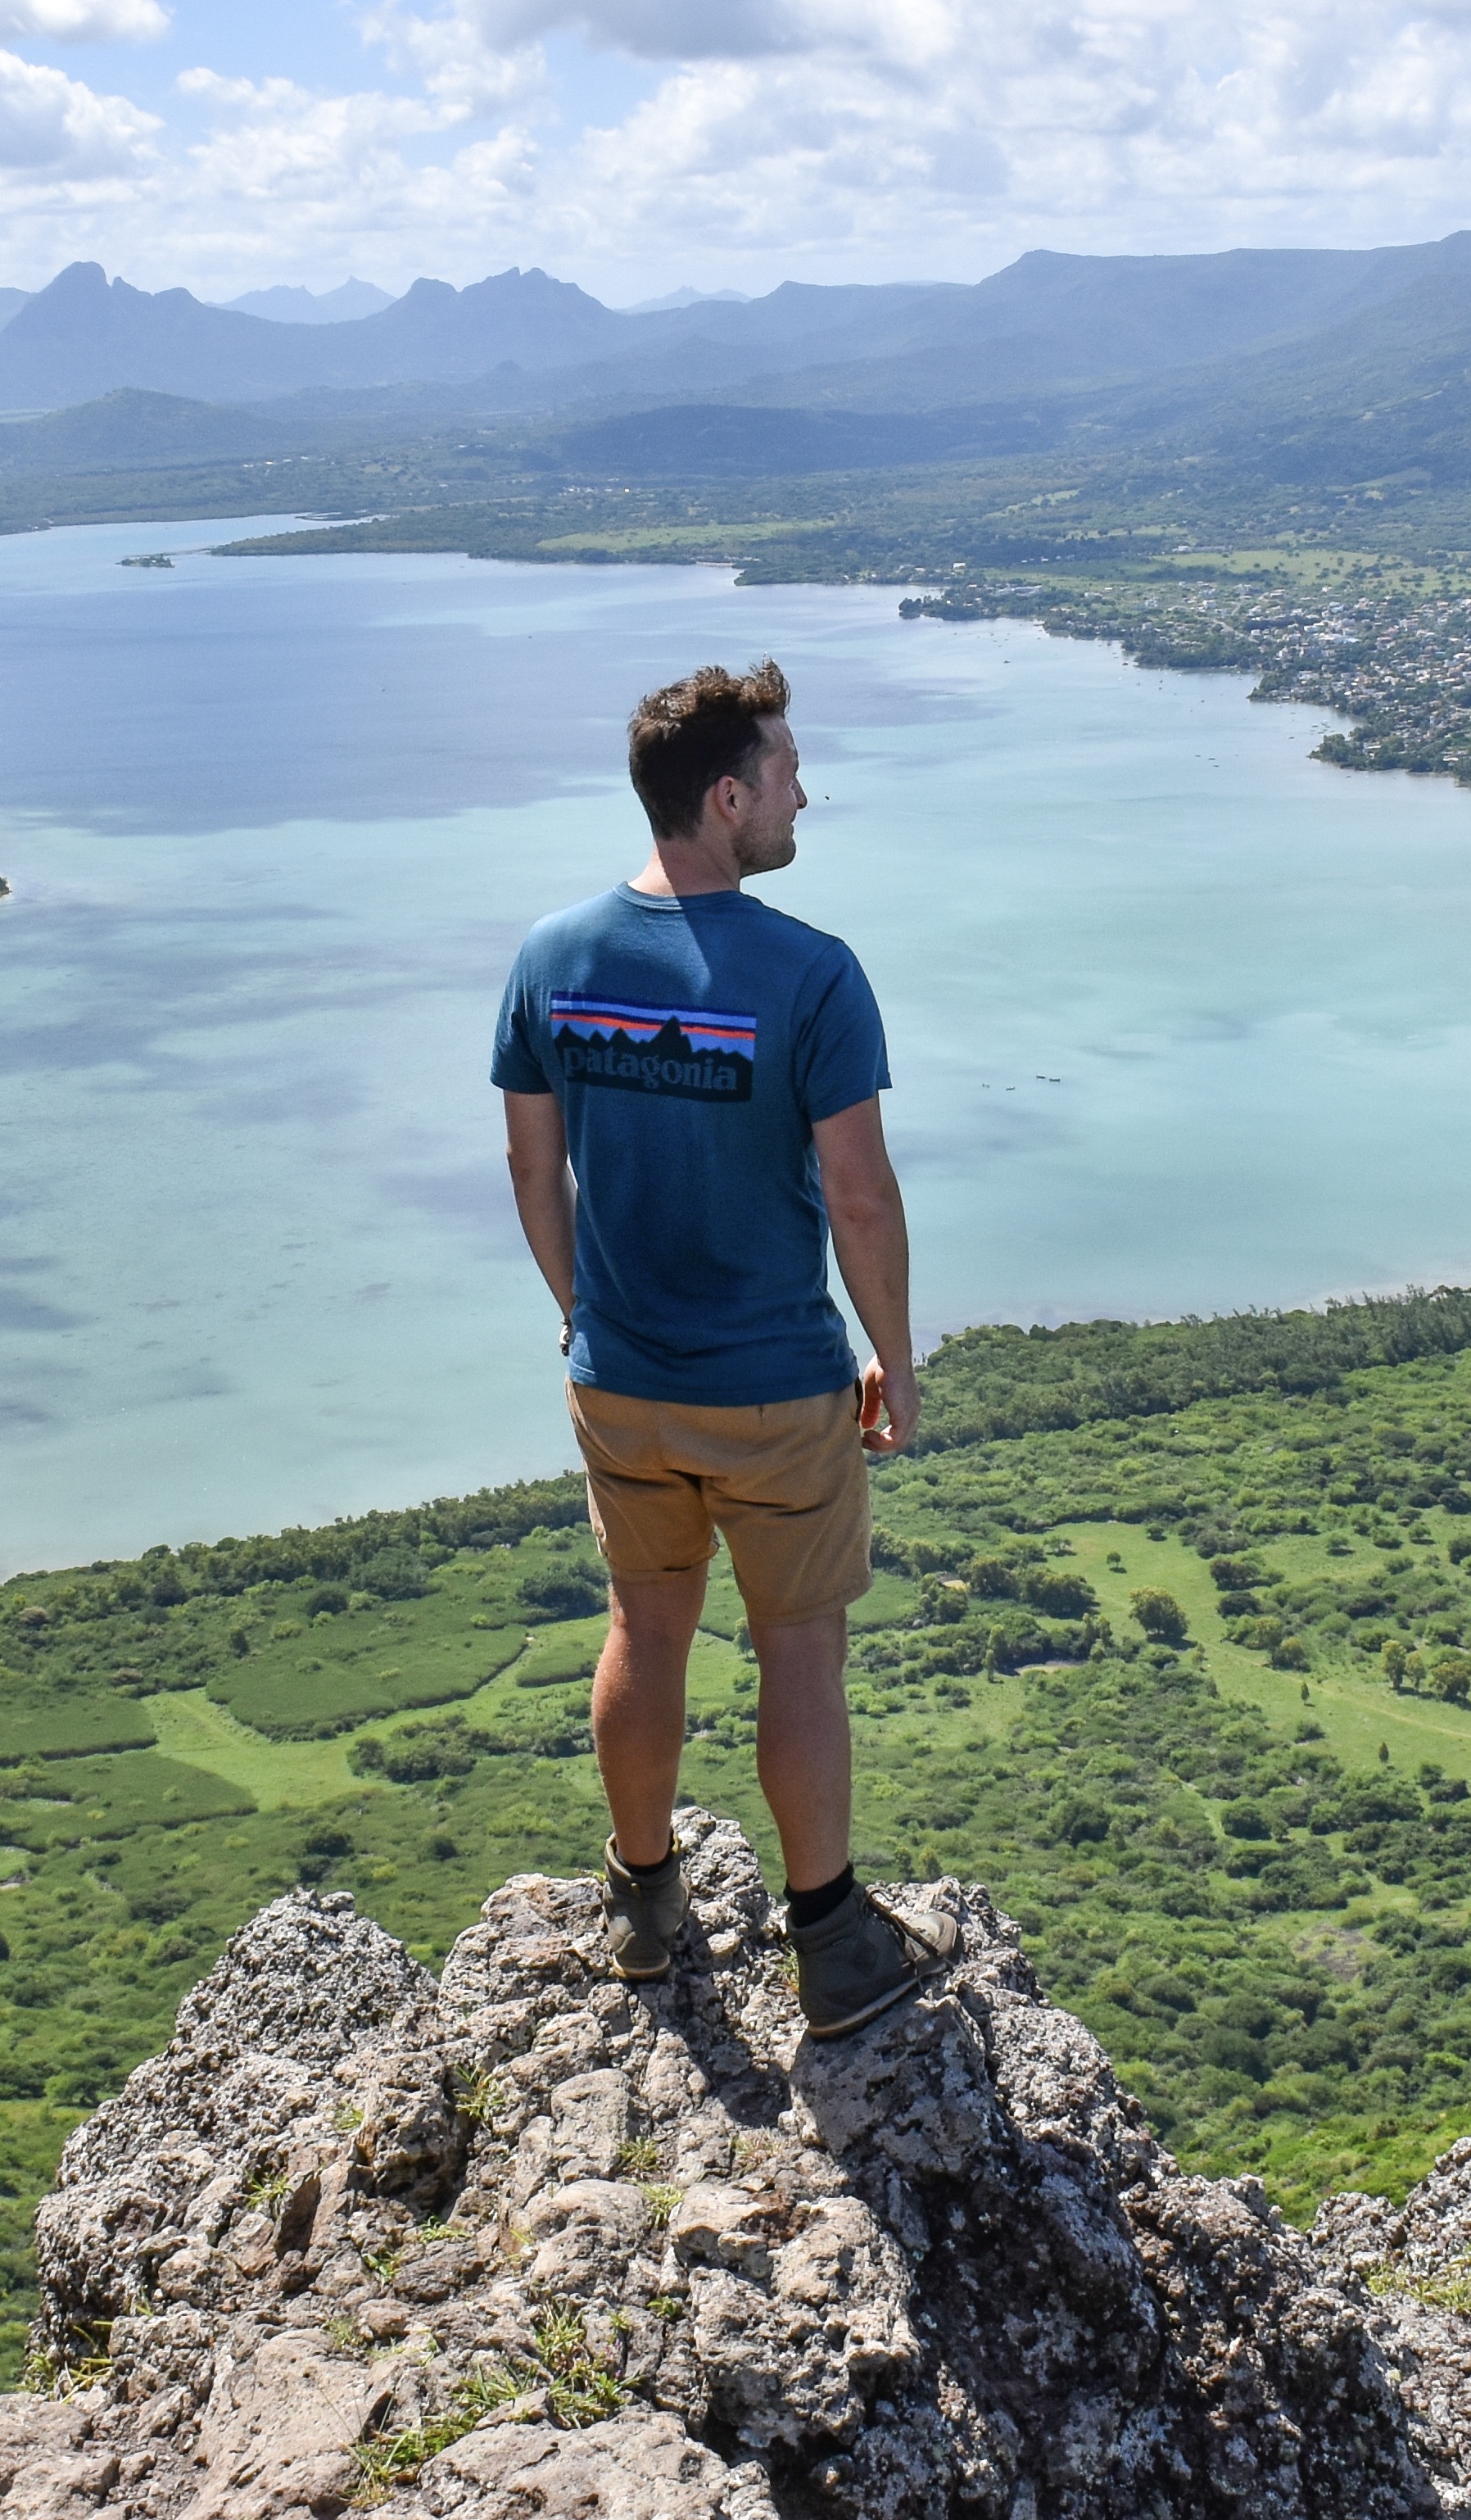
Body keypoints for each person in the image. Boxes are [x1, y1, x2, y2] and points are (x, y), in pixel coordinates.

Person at [490, 659, 954, 2039]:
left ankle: (645, 1909)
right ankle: (832, 1949)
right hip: (775, 1387)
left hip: (620, 1385)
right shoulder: (810, 973)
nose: (805, 792)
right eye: (789, 772)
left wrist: (585, 1313)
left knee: (646, 1625)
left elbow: (531, 1167)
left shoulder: (554, 958)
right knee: (799, 1649)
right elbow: (861, 1197)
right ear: (728, 796)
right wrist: (898, 1361)